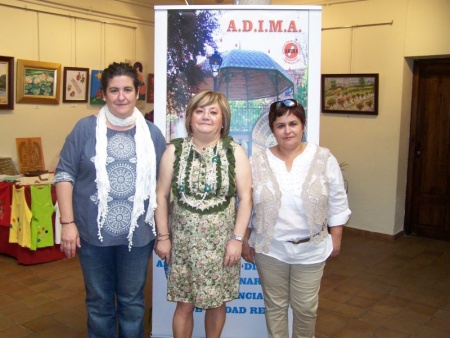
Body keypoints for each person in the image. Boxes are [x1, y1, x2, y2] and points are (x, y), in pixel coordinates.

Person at [54, 62, 166, 337]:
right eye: (113, 90)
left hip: (137, 236)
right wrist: (68, 223)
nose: (121, 97)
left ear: (137, 92)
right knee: (99, 303)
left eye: (127, 89)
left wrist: (165, 233)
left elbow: (163, 186)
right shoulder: (84, 129)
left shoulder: (151, 134)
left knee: (132, 303)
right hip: (92, 236)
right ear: (103, 94)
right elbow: (64, 175)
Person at [242, 99, 351, 338]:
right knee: (275, 307)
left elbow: (337, 200)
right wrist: (245, 238)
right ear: (273, 129)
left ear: (303, 125)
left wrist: (337, 237)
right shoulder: (257, 161)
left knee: (305, 309)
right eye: (280, 125)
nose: (287, 130)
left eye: (293, 123)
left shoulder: (323, 158)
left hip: (311, 249)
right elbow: (246, 202)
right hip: (270, 249)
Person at [155, 90, 252, 338]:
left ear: (223, 119)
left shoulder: (235, 152)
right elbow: (161, 195)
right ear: (190, 118)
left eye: (213, 112)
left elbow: (246, 199)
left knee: (216, 302)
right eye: (199, 111)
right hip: (184, 245)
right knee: (184, 304)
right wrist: (163, 236)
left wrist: (237, 240)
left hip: (221, 246)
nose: (205, 117)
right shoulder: (173, 151)